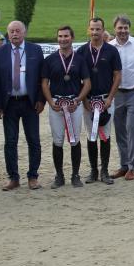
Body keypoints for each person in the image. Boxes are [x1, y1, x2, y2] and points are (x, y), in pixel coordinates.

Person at [0, 20, 46, 191]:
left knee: (34, 140)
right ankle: (13, 177)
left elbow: (42, 78)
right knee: (10, 142)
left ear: (24, 32)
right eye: (11, 31)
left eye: (17, 31)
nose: (14, 34)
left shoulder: (35, 50)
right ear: (8, 33)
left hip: (30, 103)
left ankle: (33, 176)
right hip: (9, 104)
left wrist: (41, 100)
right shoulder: (0, 52)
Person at [41, 25, 91, 189]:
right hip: (56, 105)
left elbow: (87, 83)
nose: (63, 39)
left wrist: (78, 100)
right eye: (60, 36)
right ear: (57, 39)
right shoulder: (50, 60)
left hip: (73, 105)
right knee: (57, 140)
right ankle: (59, 175)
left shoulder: (80, 59)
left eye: (66, 36)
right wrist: (50, 102)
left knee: (75, 140)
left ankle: (75, 175)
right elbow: (44, 83)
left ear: (72, 38)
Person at [79, 18, 122, 184]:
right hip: (88, 101)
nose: (95, 32)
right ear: (88, 30)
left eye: (98, 29)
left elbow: (117, 75)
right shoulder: (82, 51)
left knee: (105, 136)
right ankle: (93, 171)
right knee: (91, 135)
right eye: (92, 29)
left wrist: (110, 97)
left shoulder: (111, 51)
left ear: (103, 30)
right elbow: (79, 79)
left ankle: (104, 170)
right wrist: (84, 101)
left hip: (106, 100)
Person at [109, 15, 134, 181]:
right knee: (120, 131)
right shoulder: (109, 47)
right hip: (117, 94)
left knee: (133, 128)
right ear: (114, 29)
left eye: (125, 28)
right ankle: (124, 165)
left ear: (129, 29)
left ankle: (133, 166)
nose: (123, 31)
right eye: (120, 28)